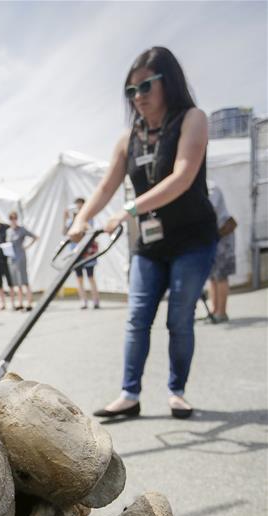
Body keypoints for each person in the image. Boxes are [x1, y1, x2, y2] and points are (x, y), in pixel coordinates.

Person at [68, 46, 217, 420]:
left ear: (168, 82)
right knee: (137, 317)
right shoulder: (128, 138)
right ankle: (129, 394)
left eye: (146, 86)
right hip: (149, 244)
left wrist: (128, 210)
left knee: (179, 317)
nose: (138, 97)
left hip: (192, 240)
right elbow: (105, 187)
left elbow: (182, 177)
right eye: (131, 91)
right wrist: (82, 219)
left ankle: (176, 391)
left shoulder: (192, 119)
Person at [63, 198, 101, 309]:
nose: (78, 208)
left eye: (80, 206)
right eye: (77, 206)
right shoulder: (71, 220)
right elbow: (65, 233)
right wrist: (66, 218)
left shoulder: (88, 217)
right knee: (79, 278)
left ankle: (96, 301)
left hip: (87, 251)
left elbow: (89, 230)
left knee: (90, 276)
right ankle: (83, 301)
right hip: (76, 252)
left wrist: (80, 219)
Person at [207, 182, 236, 323]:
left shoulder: (211, 187)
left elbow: (209, 209)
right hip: (212, 236)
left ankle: (222, 313)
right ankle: (214, 310)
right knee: (212, 276)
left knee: (221, 275)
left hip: (223, 234)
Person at [6, 212, 38, 311]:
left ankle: (29, 302)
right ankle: (20, 303)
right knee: (17, 282)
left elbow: (35, 237)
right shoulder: (9, 231)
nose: (13, 220)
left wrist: (27, 246)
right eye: (11, 218)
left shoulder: (21, 230)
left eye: (14, 218)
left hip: (20, 257)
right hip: (12, 258)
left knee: (24, 280)